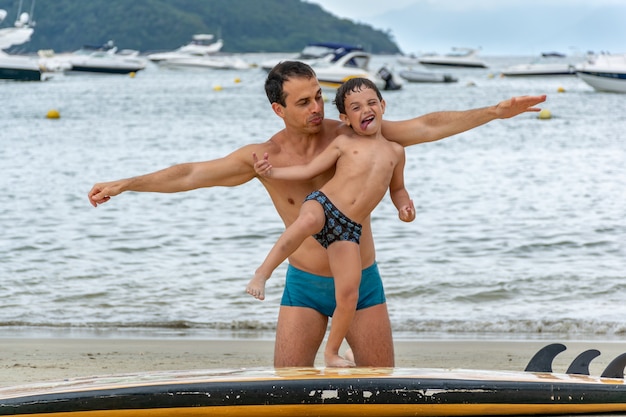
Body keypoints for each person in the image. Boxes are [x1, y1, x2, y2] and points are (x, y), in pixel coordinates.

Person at [88, 60, 546, 368]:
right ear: (278, 108)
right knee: (288, 393)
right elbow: (190, 174)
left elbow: (425, 126)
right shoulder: (263, 158)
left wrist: (493, 111)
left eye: (318, 98)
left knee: (379, 391)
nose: (315, 109)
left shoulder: (353, 133)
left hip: (361, 281)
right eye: (303, 102)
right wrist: (128, 183)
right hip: (303, 286)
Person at [246, 78, 415, 367]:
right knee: (303, 223)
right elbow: (307, 169)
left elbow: (397, 188)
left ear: (383, 106)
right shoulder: (344, 143)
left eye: (372, 103)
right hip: (324, 205)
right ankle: (262, 273)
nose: (366, 110)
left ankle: (333, 352)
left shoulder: (396, 152)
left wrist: (404, 206)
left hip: (348, 229)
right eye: (356, 107)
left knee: (348, 293)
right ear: (345, 119)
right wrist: (271, 174)